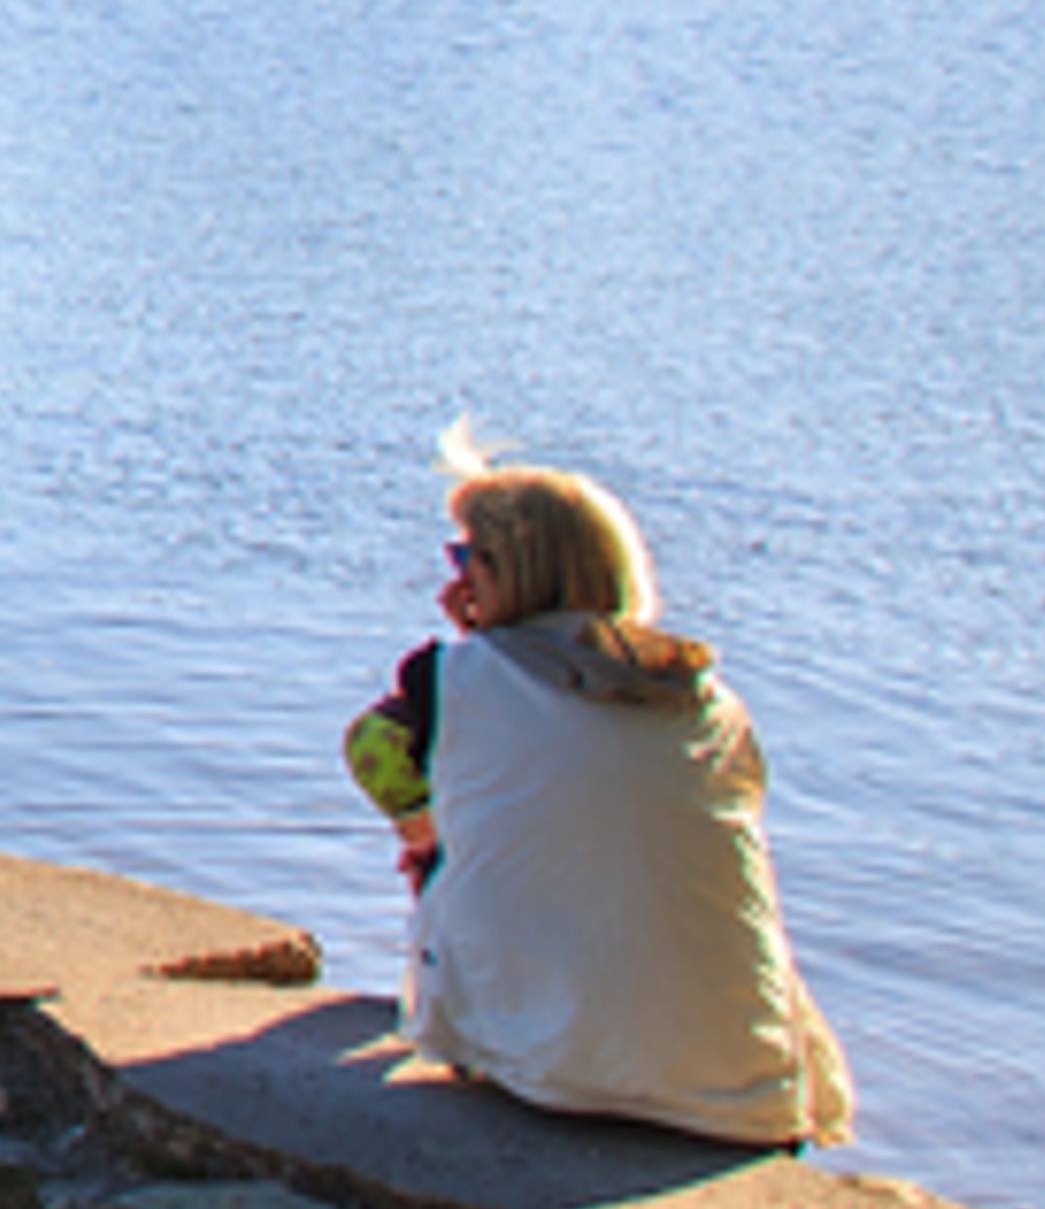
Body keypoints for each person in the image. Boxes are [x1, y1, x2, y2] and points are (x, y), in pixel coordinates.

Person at [342, 457, 855, 1148]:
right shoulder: (710, 701)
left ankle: (484, 1017)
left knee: (475, 855)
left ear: (506, 570)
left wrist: (427, 836)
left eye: (465, 555)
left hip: (546, 1066)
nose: (454, 575)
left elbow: (371, 747)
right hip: (743, 1087)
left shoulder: (451, 677)